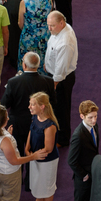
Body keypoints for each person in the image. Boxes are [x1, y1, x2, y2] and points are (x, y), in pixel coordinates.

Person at [1, 52, 58, 146]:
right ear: (38, 65)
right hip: (39, 123)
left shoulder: (13, 82)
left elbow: (4, 104)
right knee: (34, 153)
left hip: (17, 124)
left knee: (17, 153)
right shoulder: (48, 81)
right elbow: (52, 103)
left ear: (24, 65)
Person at [66, 100, 101, 201]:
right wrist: (84, 175)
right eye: (90, 117)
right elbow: (71, 161)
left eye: (95, 117)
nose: (94, 120)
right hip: (83, 177)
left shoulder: (94, 127)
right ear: (82, 116)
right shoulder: (78, 135)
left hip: (92, 172)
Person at [21, 91, 59, 201]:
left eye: (32, 105)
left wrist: (31, 156)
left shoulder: (50, 126)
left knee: (47, 187)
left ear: (42, 106)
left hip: (47, 161)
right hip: (35, 157)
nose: (29, 107)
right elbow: (31, 131)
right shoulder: (35, 117)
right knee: (37, 181)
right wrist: (27, 147)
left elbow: (48, 149)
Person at [45, 10, 78, 147]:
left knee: (62, 109)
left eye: (52, 26)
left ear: (61, 23)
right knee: (57, 107)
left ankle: (63, 139)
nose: (49, 28)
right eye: (48, 25)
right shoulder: (61, 28)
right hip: (54, 73)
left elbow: (61, 69)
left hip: (61, 80)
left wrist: (53, 85)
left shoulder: (65, 43)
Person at [17, 0, 53, 65]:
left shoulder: (24, 2)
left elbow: (20, 23)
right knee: (43, 63)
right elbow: (50, 17)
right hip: (45, 36)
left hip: (28, 38)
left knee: (28, 64)